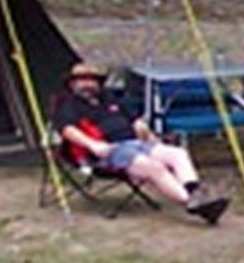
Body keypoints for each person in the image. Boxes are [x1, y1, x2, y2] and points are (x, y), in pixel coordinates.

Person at [50, 62, 229, 225]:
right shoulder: (68, 105)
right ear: (72, 84)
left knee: (177, 153)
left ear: (98, 83)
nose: (87, 84)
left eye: (91, 80)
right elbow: (67, 130)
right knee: (153, 167)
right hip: (108, 150)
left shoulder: (109, 98)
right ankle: (192, 202)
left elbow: (135, 120)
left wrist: (149, 135)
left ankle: (196, 194)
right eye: (81, 80)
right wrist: (92, 145)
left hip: (135, 142)